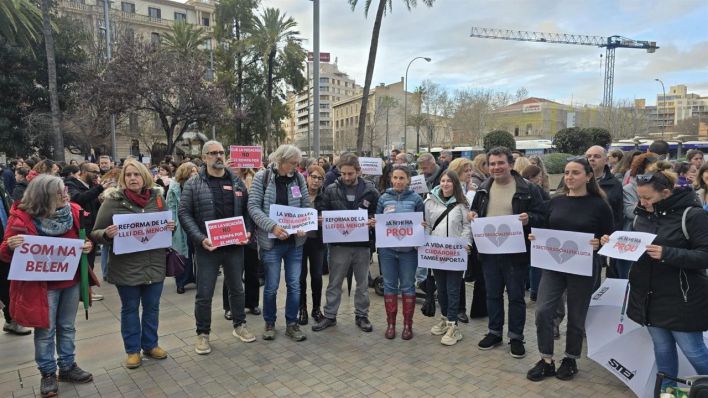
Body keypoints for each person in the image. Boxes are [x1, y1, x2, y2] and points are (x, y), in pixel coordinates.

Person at [601, 161, 708, 390]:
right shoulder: (642, 215)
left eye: (648, 198)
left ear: (666, 193)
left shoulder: (692, 215)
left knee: (694, 352)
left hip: (683, 298)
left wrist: (668, 253)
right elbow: (637, 246)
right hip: (650, 295)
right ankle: (667, 391)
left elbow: (704, 255)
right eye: (640, 197)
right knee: (662, 350)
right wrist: (614, 243)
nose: (642, 203)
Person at [1, 175, 95, 397]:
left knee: (67, 326)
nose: (66, 194)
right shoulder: (22, 217)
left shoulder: (73, 212)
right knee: (45, 330)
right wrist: (11, 246)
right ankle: (48, 373)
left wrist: (87, 246)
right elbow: (4, 253)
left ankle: (68, 366)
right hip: (41, 286)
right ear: (44, 196)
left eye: (64, 191)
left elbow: (83, 239)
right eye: (60, 192)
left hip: (70, 281)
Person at [526, 157, 614, 382]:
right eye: (566, 172)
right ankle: (546, 359)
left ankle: (570, 358)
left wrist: (600, 242)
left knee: (576, 315)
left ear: (588, 176)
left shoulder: (599, 204)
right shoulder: (556, 202)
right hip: (554, 265)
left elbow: (610, 236)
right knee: (543, 311)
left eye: (575, 172)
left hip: (583, 267)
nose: (570, 177)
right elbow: (546, 227)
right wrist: (535, 235)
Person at [91, 159, 176, 369]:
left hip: (154, 264)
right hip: (126, 267)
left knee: (152, 308)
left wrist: (170, 227)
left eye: (136, 174)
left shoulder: (157, 198)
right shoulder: (113, 201)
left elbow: (165, 225)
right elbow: (95, 233)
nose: (132, 178)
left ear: (144, 176)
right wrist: (106, 234)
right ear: (123, 179)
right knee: (130, 309)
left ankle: (150, 345)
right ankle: (132, 351)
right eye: (128, 175)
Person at [469, 146, 546, 358]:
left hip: (516, 254)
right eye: (492, 163)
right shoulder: (483, 188)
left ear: (510, 164)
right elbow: (476, 211)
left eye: (500, 163)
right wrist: (473, 215)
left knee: (516, 297)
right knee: (492, 295)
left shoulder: (528, 189)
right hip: (489, 253)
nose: (496, 167)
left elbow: (543, 215)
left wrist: (529, 218)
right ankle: (494, 332)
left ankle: (515, 337)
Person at [179, 141, 255, 353]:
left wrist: (247, 231)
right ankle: (202, 334)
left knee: (236, 288)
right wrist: (200, 238)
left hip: (234, 246)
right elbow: (184, 213)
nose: (218, 156)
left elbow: (247, 212)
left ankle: (240, 325)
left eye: (221, 152)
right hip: (208, 248)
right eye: (213, 153)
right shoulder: (194, 184)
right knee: (204, 292)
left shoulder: (237, 183)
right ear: (204, 158)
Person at [248, 144, 309, 342]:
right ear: (281, 160)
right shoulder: (262, 178)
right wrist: (272, 227)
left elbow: (305, 206)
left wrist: (303, 224)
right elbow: (253, 207)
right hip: (271, 243)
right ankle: (270, 322)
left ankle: (292, 324)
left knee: (294, 285)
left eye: (297, 163)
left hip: (294, 243)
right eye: (293, 163)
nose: (296, 167)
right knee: (271, 286)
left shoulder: (299, 179)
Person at [313, 153, 379, 333]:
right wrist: (323, 218)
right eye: (343, 173)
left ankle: (362, 315)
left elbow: (378, 213)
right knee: (334, 282)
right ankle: (330, 315)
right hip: (339, 245)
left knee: (362, 283)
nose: (347, 177)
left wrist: (373, 219)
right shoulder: (331, 189)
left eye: (350, 174)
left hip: (362, 245)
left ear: (358, 171)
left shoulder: (371, 191)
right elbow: (322, 209)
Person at [376, 165, 424, 339]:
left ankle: (407, 325)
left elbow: (421, 222)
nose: (398, 181)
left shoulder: (416, 199)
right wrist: (375, 223)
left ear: (408, 180)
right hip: (387, 251)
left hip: (408, 252)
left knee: (407, 285)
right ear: (390, 179)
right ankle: (390, 324)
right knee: (389, 285)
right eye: (395, 178)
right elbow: (378, 221)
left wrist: (421, 226)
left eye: (401, 178)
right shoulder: (383, 198)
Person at [425, 170, 470, 345]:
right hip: (436, 253)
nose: (445, 184)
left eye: (449, 181)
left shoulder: (462, 204)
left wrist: (467, 243)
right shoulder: (429, 202)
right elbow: (428, 225)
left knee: (453, 289)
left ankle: (454, 326)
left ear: (455, 184)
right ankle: (445, 319)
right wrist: (424, 240)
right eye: (443, 181)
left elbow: (467, 226)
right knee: (441, 289)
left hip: (455, 254)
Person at [65, 162, 110, 301]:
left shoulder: (92, 186)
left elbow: (91, 203)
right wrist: (100, 189)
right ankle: (84, 291)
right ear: (83, 172)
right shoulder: (71, 185)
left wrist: (100, 200)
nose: (97, 175)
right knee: (83, 260)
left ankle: (87, 290)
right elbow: (78, 199)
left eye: (98, 172)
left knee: (89, 261)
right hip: (81, 229)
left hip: (92, 227)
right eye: (94, 172)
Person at [223, 165, 261, 318]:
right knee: (232, 273)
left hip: (249, 234)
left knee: (252, 271)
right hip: (231, 234)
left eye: (237, 165)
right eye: (231, 164)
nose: (235, 167)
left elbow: (251, 210)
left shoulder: (253, 180)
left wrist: (250, 230)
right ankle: (229, 306)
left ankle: (252, 303)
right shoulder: (223, 183)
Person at [298, 164, 326, 325]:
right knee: (300, 277)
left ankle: (316, 309)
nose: (316, 181)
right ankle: (302, 309)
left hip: (317, 241)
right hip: (300, 242)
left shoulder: (325, 196)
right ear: (307, 177)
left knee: (316, 276)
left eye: (320, 178)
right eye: (313, 177)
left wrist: (324, 219)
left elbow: (331, 215)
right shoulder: (298, 195)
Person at [166, 162, 198, 294]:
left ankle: (194, 278)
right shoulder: (174, 188)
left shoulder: (198, 185)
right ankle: (181, 282)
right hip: (181, 225)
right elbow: (171, 207)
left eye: (196, 171)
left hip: (196, 225)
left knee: (195, 254)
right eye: (192, 171)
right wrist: (173, 224)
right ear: (185, 173)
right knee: (182, 254)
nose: (195, 173)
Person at [522, 165, 551, 302]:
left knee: (532, 264)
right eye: (538, 176)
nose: (540, 179)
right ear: (531, 177)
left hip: (531, 231)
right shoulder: (534, 189)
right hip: (535, 232)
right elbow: (544, 209)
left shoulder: (531, 189)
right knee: (535, 264)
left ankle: (532, 289)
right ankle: (535, 290)